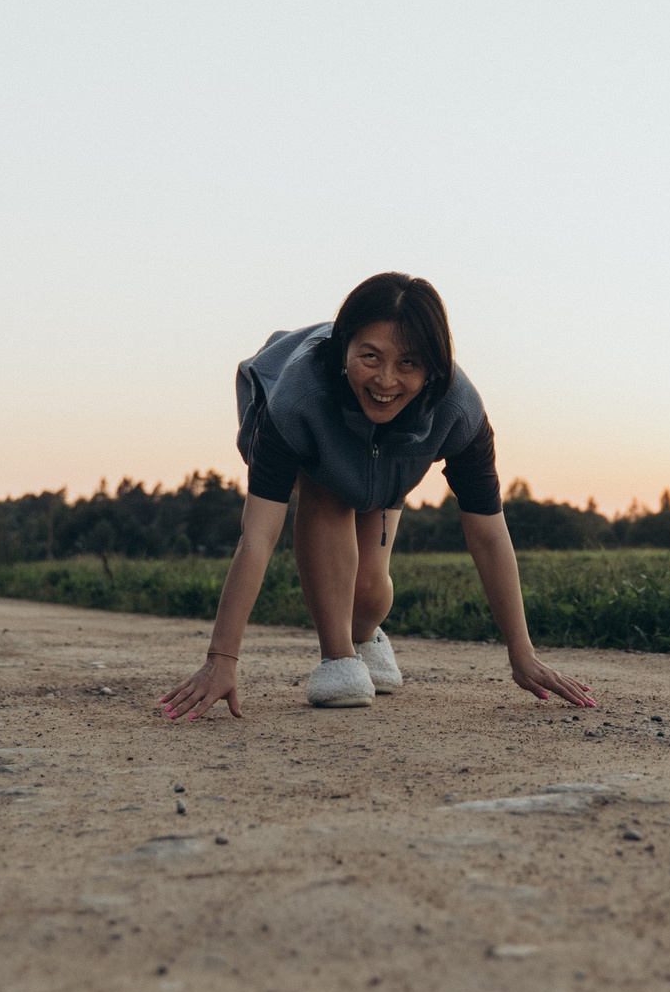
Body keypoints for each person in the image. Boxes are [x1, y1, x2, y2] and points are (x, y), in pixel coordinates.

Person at [159, 273, 597, 721]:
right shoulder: (296, 398)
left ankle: (366, 638)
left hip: (395, 450)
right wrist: (222, 659)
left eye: (408, 363)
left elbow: (488, 534)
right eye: (370, 356)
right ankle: (339, 659)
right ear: (345, 348)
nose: (386, 379)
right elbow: (257, 537)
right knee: (328, 491)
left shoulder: (459, 411)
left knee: (367, 593)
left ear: (433, 368)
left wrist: (522, 655)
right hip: (322, 434)